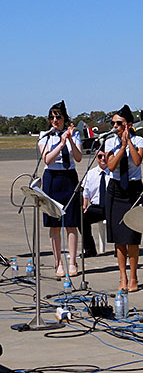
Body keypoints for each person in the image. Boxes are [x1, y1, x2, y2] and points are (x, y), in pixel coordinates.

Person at [38, 100, 82, 277]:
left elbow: (78, 158)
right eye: (51, 117)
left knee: (71, 223)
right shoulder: (45, 135)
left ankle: (72, 261)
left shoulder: (74, 134)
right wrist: (61, 144)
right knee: (54, 224)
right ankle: (58, 263)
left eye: (58, 117)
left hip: (69, 177)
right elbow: (47, 159)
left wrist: (69, 140)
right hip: (52, 179)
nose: (54, 120)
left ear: (64, 118)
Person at [105, 105, 143, 292]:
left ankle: (134, 276)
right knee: (119, 238)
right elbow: (111, 166)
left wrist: (128, 142)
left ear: (128, 124)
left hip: (133, 188)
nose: (115, 126)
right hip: (115, 189)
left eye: (118, 123)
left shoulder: (139, 140)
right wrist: (121, 146)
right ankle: (123, 276)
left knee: (132, 237)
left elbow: (137, 160)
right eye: (113, 123)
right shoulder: (109, 142)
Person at [81, 148, 112, 257]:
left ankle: (120, 248)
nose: (103, 159)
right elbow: (86, 193)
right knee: (82, 219)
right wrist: (84, 206)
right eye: (100, 156)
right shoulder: (90, 174)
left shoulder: (114, 172)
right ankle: (89, 249)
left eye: (105, 156)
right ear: (96, 158)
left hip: (112, 206)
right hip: (96, 207)